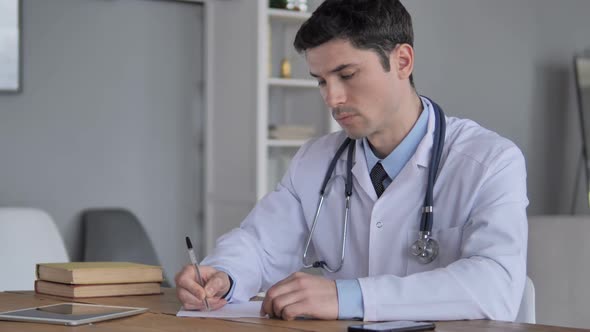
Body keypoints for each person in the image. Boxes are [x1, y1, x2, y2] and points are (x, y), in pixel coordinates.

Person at [175, 0, 528, 322]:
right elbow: (259, 244)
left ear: (402, 61)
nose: (332, 98)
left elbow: (495, 285)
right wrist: (223, 274)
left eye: (346, 75)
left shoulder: (490, 162)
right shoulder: (316, 161)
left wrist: (348, 296)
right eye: (321, 81)